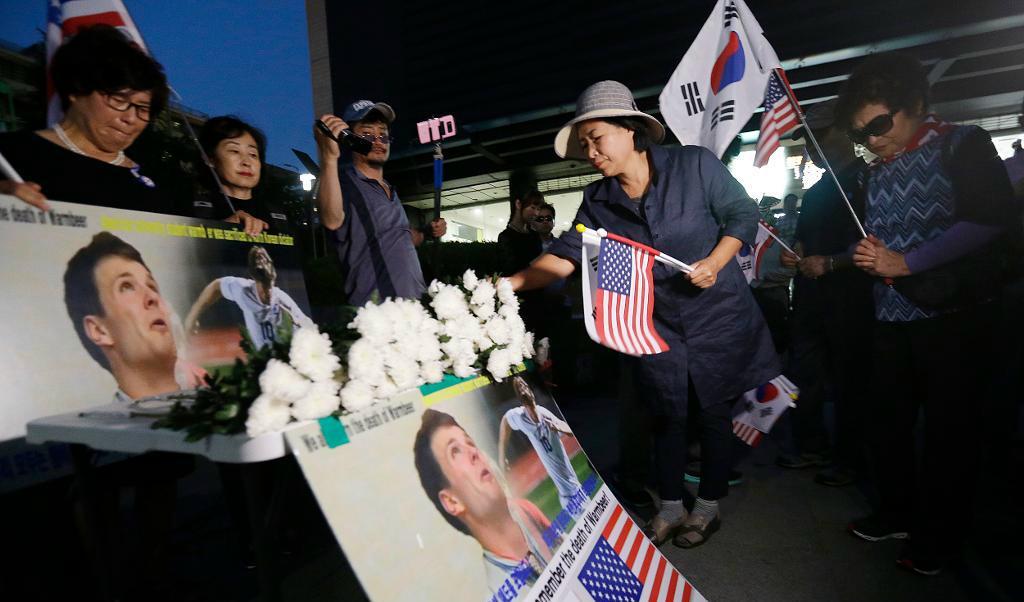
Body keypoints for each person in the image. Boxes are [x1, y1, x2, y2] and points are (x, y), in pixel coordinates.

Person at [507, 81, 779, 548]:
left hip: (716, 314)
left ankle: (708, 507)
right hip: (656, 325)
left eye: (598, 137)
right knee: (668, 415)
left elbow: (741, 214)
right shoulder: (598, 200)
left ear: (631, 130)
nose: (591, 152)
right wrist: (511, 283)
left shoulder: (694, 166)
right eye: (584, 144)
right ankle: (671, 506)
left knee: (713, 413)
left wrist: (714, 263)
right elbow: (570, 252)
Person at [839, 53, 1021, 575]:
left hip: (956, 314)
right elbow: (885, 236)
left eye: (878, 125)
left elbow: (990, 220)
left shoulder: (963, 142)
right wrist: (866, 252)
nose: (872, 140)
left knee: (950, 434)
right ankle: (897, 511)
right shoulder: (875, 172)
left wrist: (907, 261)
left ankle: (940, 538)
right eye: (861, 134)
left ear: (914, 105)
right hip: (892, 316)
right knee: (888, 425)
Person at [777, 99, 873, 487]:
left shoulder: (867, 181)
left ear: (846, 133)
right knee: (805, 375)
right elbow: (802, 241)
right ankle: (811, 445)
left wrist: (832, 263)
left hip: (852, 299)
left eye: (820, 136)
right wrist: (795, 254)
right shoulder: (816, 192)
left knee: (851, 380)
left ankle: (851, 458)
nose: (813, 147)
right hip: (810, 299)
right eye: (807, 139)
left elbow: (877, 245)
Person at [0, 25, 173, 214]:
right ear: (77, 90)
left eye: (143, 108)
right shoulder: (11, 155)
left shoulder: (162, 179)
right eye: (118, 100)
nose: (131, 118)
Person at [314, 100, 446, 306]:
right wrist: (329, 159)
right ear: (350, 138)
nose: (377, 140)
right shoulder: (344, 182)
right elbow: (331, 220)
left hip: (415, 308)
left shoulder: (389, 188)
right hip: (379, 314)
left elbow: (398, 237)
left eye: (383, 134)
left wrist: (427, 232)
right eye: (367, 134)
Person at [413, 409, 554, 596]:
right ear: (452, 501)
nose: (473, 451)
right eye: (455, 451)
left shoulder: (524, 510)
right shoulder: (495, 591)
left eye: (470, 442)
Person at [184, 245, 313, 348]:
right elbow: (216, 286)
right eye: (257, 259)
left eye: (264, 258)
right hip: (264, 362)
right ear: (252, 271)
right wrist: (193, 315)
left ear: (272, 266)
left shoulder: (281, 299)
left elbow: (308, 325)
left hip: (282, 360)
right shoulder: (243, 290)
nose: (262, 261)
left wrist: (298, 323)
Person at [185, 115, 289, 236]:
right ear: (210, 159)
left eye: (253, 154)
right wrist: (221, 230)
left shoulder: (279, 216)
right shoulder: (190, 206)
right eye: (234, 151)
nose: (246, 162)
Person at [497, 376, 581, 512]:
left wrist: (559, 427)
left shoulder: (544, 413)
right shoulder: (518, 416)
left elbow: (571, 431)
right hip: (568, 496)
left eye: (524, 385)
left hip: (576, 488)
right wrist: (502, 456)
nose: (522, 389)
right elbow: (505, 421)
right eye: (519, 389)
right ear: (519, 396)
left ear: (530, 390)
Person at [498, 190, 545, 273]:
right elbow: (509, 270)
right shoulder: (506, 237)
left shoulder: (535, 235)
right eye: (533, 208)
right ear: (518, 204)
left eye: (538, 209)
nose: (536, 213)